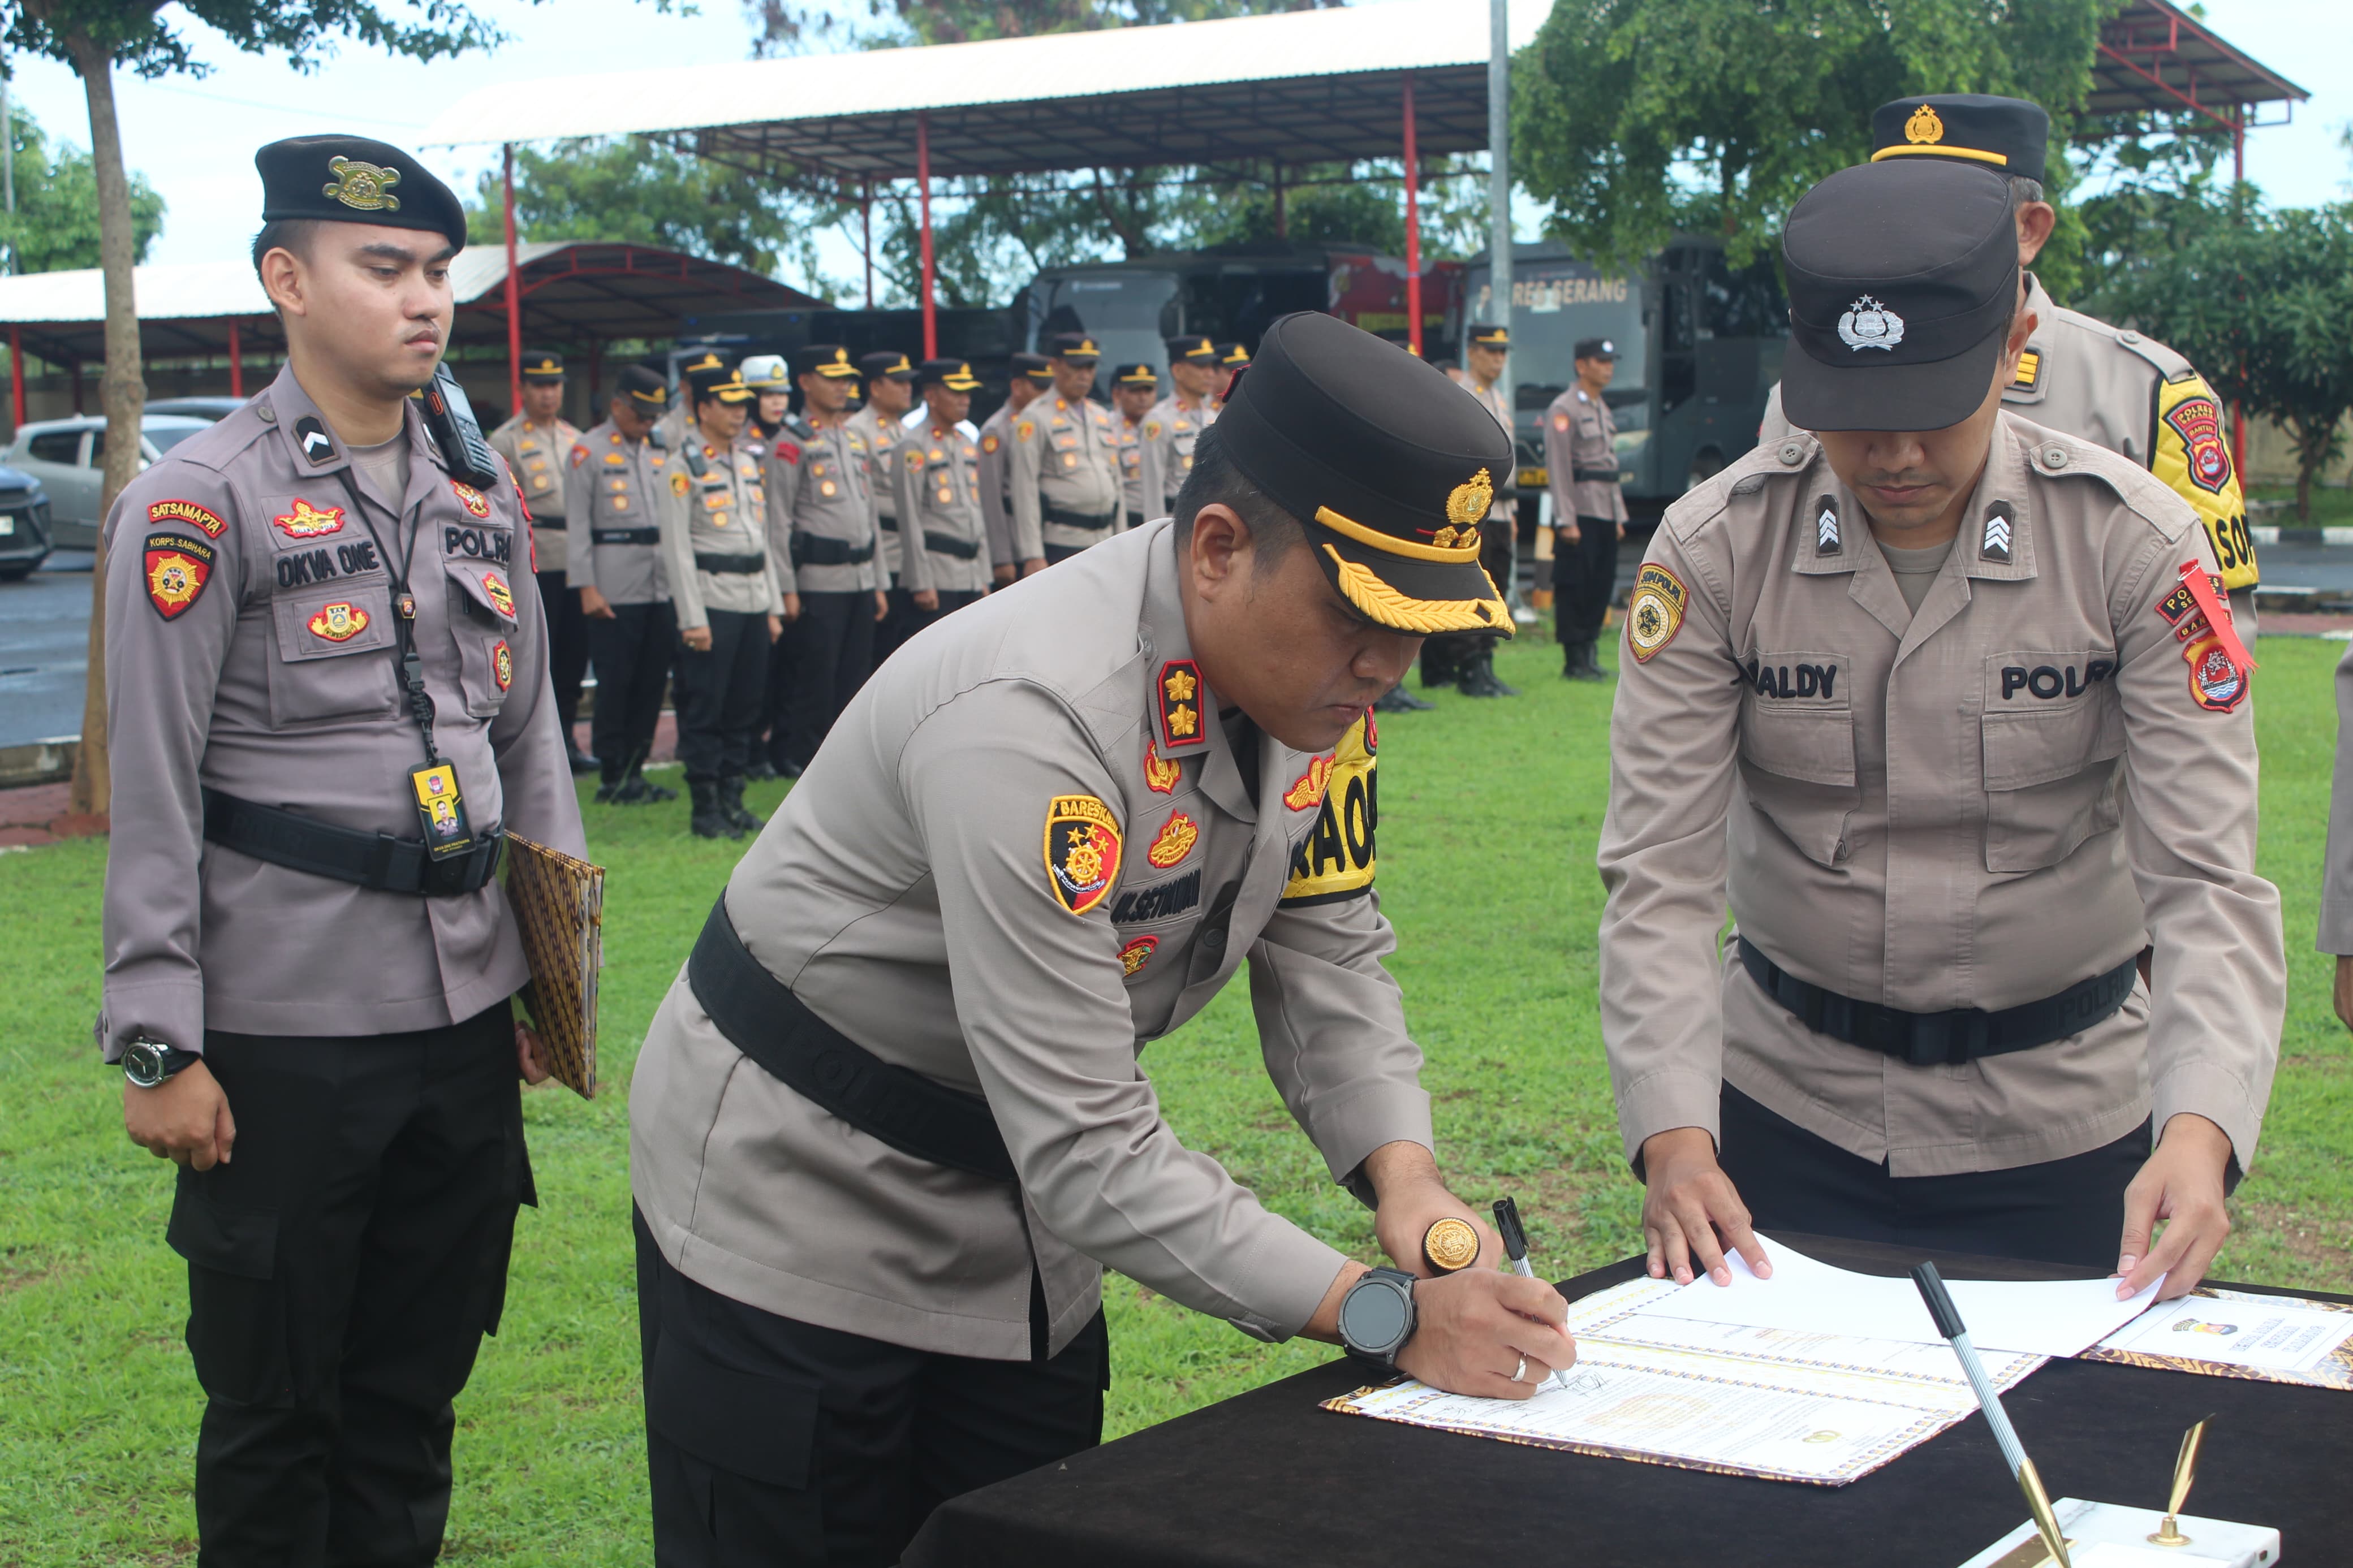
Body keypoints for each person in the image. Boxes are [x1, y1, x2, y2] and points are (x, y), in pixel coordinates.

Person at [628, 310, 1560, 1564]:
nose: (1389, 663)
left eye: (1417, 622)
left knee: (1024, 1531)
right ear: (1219, 549)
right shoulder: (1031, 718)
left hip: (1024, 1226)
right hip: (803, 1199)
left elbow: (1328, 943)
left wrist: (1407, 1177)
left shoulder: (1316, 687)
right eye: (1361, 613)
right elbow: (1086, 1140)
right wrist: (1380, 1312)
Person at [1598, 158, 2283, 1303]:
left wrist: (2202, 1126)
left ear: (2018, 342)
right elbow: (1658, 877)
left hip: (2063, 1130)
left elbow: (2206, 881)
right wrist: (1674, 1134)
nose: (1894, 455)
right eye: (1855, 414)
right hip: (1778, 1121)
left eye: (1931, 407)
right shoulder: (1715, 550)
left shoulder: (2138, 549)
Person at [101, 133, 587, 1565]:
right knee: (275, 1410)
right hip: (283, 1032)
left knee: (409, 1402)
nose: (424, 298)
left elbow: (531, 742)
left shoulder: (476, 487)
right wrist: (157, 1044)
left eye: (437, 270)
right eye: (384, 268)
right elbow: (156, 788)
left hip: (458, 1023)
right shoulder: (201, 500)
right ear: (286, 280)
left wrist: (546, 982)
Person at [1759, 93, 2259, 630]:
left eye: (1953, 216)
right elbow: (1763, 583)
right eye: (1889, 212)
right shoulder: (1808, 392)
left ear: (2031, 229)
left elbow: (2211, 628)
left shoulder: (2143, 391)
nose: (1911, 238)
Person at [658, 365, 788, 839]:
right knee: (706, 707)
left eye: (742, 404)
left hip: (753, 600)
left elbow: (762, 539)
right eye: (729, 404)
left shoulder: (748, 460)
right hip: (712, 603)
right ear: (704, 407)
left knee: (745, 706)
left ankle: (733, 800)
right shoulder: (682, 466)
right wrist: (693, 618)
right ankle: (706, 806)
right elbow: (677, 549)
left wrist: (773, 607)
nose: (739, 413)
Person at [765, 343, 889, 776]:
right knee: (816, 677)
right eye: (832, 378)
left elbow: (868, 513)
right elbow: (777, 520)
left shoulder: (852, 437)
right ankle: (805, 759)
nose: (842, 387)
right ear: (805, 382)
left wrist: (877, 581)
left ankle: (844, 762)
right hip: (817, 579)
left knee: (854, 678)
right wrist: (786, 587)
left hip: (858, 576)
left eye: (846, 379)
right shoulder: (790, 442)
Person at [567, 363, 679, 805]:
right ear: (618, 405)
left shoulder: (659, 448)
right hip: (614, 585)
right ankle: (613, 773)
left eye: (654, 417)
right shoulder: (588, 451)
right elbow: (578, 526)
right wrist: (587, 587)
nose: (648, 424)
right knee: (616, 683)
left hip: (658, 581)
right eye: (641, 415)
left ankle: (638, 769)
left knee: (652, 682)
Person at [490, 348, 594, 773]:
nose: (549, 394)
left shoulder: (576, 438)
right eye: (539, 385)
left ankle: (569, 741)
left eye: (555, 385)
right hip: (537, 556)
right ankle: (540, 750)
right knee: (538, 660)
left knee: (573, 656)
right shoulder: (506, 440)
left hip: (577, 556)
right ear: (523, 389)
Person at [1420, 322, 1520, 699]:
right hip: (1472, 513)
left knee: (1498, 586)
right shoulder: (1461, 395)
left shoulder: (1498, 398)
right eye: (1491, 351)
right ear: (1473, 352)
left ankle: (1485, 663)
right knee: (1473, 588)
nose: (1498, 359)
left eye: (1503, 352)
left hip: (1503, 510)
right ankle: (1470, 667)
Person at [886, 358, 994, 644]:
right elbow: (909, 519)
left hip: (970, 574)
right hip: (937, 576)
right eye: (956, 393)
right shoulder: (913, 446)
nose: (965, 400)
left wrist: (983, 576)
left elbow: (976, 512)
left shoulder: (966, 442)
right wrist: (921, 582)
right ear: (932, 396)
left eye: (968, 393)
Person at [1545, 336, 1630, 682]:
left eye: (1611, 362)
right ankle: (1574, 658)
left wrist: (1620, 514)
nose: (1608, 368)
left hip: (1606, 509)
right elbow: (1559, 467)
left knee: (1600, 582)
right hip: (1580, 510)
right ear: (1582, 366)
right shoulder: (1564, 409)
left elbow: (1610, 467)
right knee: (1576, 585)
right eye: (1601, 361)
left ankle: (1591, 652)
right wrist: (1566, 519)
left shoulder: (1601, 407)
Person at [1009, 332, 1123, 565]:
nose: (1085, 374)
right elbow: (1024, 489)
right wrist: (1033, 555)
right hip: (1062, 543)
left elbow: (1117, 483)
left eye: (1090, 367)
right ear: (1055, 366)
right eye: (1076, 366)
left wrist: (1123, 541)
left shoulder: (1100, 416)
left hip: (1105, 539)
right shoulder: (1035, 417)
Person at [848, 349, 921, 662]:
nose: (908, 388)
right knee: (881, 651)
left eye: (909, 382)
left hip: (911, 556)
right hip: (885, 553)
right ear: (875, 387)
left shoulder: (907, 432)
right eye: (898, 382)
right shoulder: (857, 431)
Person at [979, 352, 1053, 582]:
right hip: (1015, 543)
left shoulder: (1047, 422)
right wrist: (1002, 557)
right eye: (1039, 387)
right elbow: (991, 498)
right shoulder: (997, 431)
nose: (1046, 396)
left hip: (1045, 533)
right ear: (1017, 386)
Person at [1137, 335, 1219, 528]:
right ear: (1178, 371)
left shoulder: (1214, 417)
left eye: (1211, 367)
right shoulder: (1159, 420)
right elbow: (1152, 488)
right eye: (1201, 367)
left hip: (1213, 522)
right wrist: (1156, 535)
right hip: (1176, 524)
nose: (1209, 374)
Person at [1109, 360, 1158, 530]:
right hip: (1125, 523)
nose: (1143, 397)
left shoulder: (1163, 426)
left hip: (1160, 519)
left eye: (1148, 390)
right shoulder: (1108, 428)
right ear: (1117, 393)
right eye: (1135, 391)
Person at [740, 351, 794, 444]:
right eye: (768, 395)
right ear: (752, 400)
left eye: (782, 394)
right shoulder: (739, 440)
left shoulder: (796, 435)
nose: (777, 402)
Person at [1213, 340, 1249, 404]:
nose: (1239, 378)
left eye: (1242, 373)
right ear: (1213, 373)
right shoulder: (1199, 405)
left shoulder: (1247, 403)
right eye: (1232, 372)